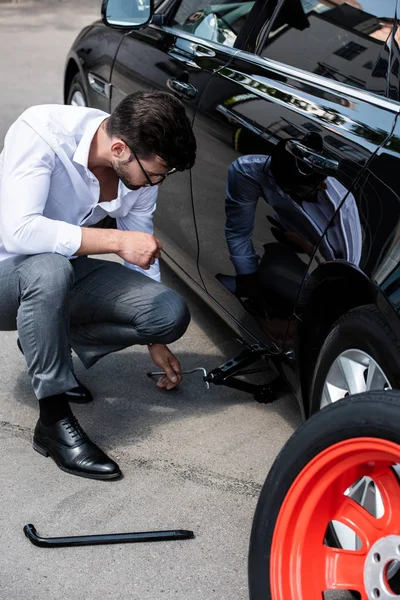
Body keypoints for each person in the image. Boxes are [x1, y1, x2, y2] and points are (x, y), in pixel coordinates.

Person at [0, 90, 196, 480]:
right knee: (50, 268)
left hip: (61, 273)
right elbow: (19, 232)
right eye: (155, 173)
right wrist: (117, 241)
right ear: (120, 148)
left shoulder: (140, 161)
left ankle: (44, 338)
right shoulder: (41, 131)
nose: (157, 181)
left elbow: (141, 251)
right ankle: (53, 423)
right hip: (8, 275)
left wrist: (154, 341)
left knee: (168, 313)